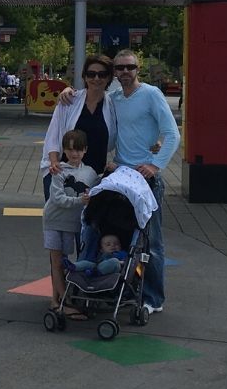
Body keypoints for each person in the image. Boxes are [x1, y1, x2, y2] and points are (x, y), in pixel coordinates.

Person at [74, 49, 180, 315]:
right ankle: (98, 283)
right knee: (102, 228)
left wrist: (155, 165)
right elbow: (108, 130)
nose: (124, 72)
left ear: (138, 68)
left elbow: (172, 134)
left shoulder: (152, 94)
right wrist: (67, 94)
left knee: (151, 242)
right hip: (120, 175)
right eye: (119, 68)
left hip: (145, 179)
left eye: (129, 67)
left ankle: (153, 298)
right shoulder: (114, 98)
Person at [38, 54, 117, 201]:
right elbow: (53, 136)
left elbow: (129, 130)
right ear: (85, 77)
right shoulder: (69, 100)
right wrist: (54, 163)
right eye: (91, 74)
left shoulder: (113, 105)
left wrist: (153, 142)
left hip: (95, 177)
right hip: (63, 173)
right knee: (60, 220)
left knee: (88, 222)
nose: (96, 78)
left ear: (109, 78)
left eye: (102, 74)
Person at [43, 129, 98, 318]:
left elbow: (97, 189)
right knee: (56, 260)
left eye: (78, 150)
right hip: (53, 220)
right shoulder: (58, 170)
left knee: (64, 262)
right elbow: (57, 198)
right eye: (70, 149)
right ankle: (62, 302)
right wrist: (79, 202)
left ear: (85, 150)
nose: (74, 154)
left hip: (72, 224)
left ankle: (57, 300)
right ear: (64, 151)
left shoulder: (90, 173)